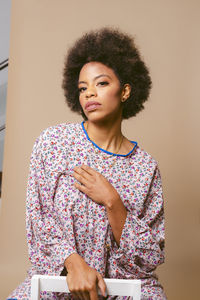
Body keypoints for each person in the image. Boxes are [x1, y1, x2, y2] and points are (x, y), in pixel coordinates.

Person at [8, 27, 167, 300]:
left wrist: (113, 202)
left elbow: (149, 257)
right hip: (57, 283)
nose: (89, 93)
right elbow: (39, 219)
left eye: (101, 83)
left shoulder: (145, 167)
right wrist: (74, 264)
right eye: (83, 88)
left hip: (121, 291)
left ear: (126, 91)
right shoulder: (53, 142)